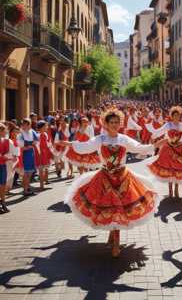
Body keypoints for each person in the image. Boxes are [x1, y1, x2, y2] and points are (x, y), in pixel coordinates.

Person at [60, 109, 162, 257]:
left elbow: (139, 148)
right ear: (105, 124)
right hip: (104, 178)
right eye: (111, 122)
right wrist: (69, 144)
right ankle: (113, 237)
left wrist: (155, 144)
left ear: (120, 124)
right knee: (109, 208)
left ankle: (116, 244)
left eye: (116, 122)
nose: (114, 125)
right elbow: (86, 146)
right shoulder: (100, 139)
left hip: (122, 178)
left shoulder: (124, 139)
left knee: (120, 210)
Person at [146, 106, 182, 198]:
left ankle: (176, 189)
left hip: (180, 149)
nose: (176, 117)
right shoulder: (168, 125)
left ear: (180, 116)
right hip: (168, 150)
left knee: (178, 169)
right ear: (171, 116)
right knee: (169, 170)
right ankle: (170, 190)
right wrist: (153, 137)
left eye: (178, 115)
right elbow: (159, 132)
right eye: (174, 115)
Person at [0, 122, 17, 213]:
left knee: (3, 185)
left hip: (3, 165)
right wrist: (2, 156)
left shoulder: (6, 140)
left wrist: (12, 156)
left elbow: (12, 151)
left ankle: (3, 204)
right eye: (2, 130)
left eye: (4, 130)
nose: (4, 132)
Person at [17, 118, 39, 196]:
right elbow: (21, 147)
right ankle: (26, 190)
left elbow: (36, 140)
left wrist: (32, 145)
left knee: (29, 173)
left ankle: (27, 188)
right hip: (24, 155)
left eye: (27, 124)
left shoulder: (32, 131)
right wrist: (29, 147)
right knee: (26, 173)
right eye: (24, 124)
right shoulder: (20, 134)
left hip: (31, 154)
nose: (26, 126)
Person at [37, 121, 54, 190]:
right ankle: (41, 186)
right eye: (45, 126)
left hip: (45, 153)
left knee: (44, 169)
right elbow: (38, 145)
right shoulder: (38, 135)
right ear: (41, 127)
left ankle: (43, 184)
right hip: (41, 154)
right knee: (41, 169)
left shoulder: (45, 134)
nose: (46, 127)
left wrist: (50, 151)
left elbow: (48, 144)